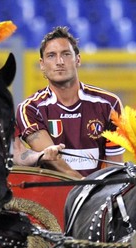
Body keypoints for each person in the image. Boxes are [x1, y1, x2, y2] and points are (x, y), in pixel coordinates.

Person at [14, 26, 124, 178]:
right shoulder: (30, 108)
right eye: (51, 56)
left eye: (66, 54)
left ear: (77, 60)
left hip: (99, 197)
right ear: (42, 64)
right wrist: (86, 187)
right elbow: (56, 161)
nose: (59, 62)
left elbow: (114, 168)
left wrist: (99, 194)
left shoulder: (109, 104)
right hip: (52, 196)